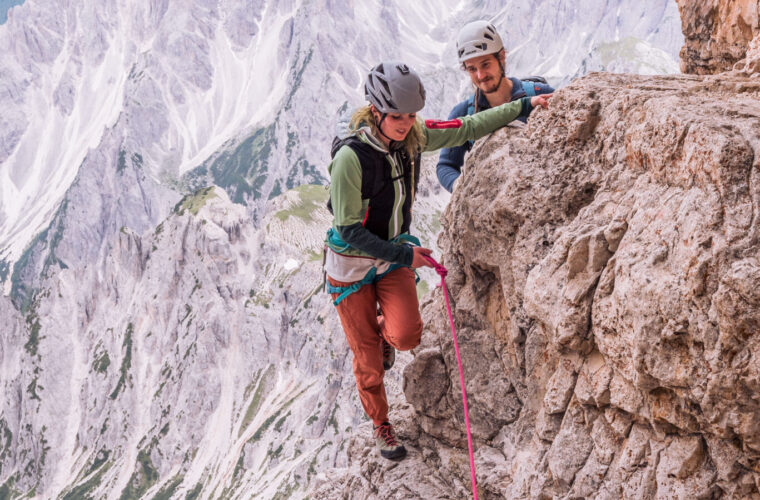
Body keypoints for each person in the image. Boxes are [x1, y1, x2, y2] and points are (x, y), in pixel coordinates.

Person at [325, 61, 550, 460]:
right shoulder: (350, 158)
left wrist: (525, 106)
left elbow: (466, 128)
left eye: (411, 115)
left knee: (407, 335)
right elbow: (348, 231)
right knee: (368, 360)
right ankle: (381, 425)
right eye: (397, 116)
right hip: (351, 266)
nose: (406, 123)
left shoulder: (412, 136)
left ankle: (384, 332)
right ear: (376, 111)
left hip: (392, 256)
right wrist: (406, 254)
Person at [437, 20, 555, 192]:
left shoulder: (539, 94)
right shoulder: (463, 113)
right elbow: (446, 166)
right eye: (472, 69)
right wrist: (462, 192)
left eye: (485, 64)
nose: (480, 75)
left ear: (501, 57)